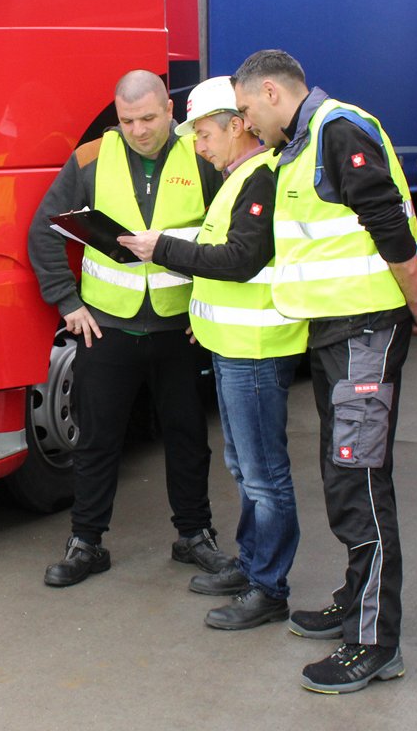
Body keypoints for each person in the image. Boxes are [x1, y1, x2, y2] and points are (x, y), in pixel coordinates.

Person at [231, 50, 417, 694]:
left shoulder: (338, 130)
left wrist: (416, 300)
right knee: (341, 469)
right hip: (335, 334)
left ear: (270, 91)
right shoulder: (298, 148)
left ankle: (376, 642)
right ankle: (355, 601)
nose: (244, 125)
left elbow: (388, 221)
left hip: (367, 331)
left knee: (359, 479)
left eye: (244, 111)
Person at [28, 69, 233, 587]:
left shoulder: (202, 153)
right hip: (108, 328)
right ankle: (86, 544)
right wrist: (66, 300)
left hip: (177, 330)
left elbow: (229, 238)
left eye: (147, 118)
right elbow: (44, 227)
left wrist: (205, 307)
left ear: (169, 109)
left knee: (188, 437)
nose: (138, 130)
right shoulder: (93, 157)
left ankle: (194, 536)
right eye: (126, 120)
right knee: (97, 441)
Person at [119, 76, 308, 631]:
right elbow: (223, 262)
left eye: (203, 134)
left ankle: (268, 588)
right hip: (231, 344)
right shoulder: (237, 178)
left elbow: (239, 260)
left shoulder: (260, 178)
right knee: (245, 470)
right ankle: (250, 567)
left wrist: (162, 248)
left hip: (255, 349)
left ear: (236, 125)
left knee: (264, 475)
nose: (197, 147)